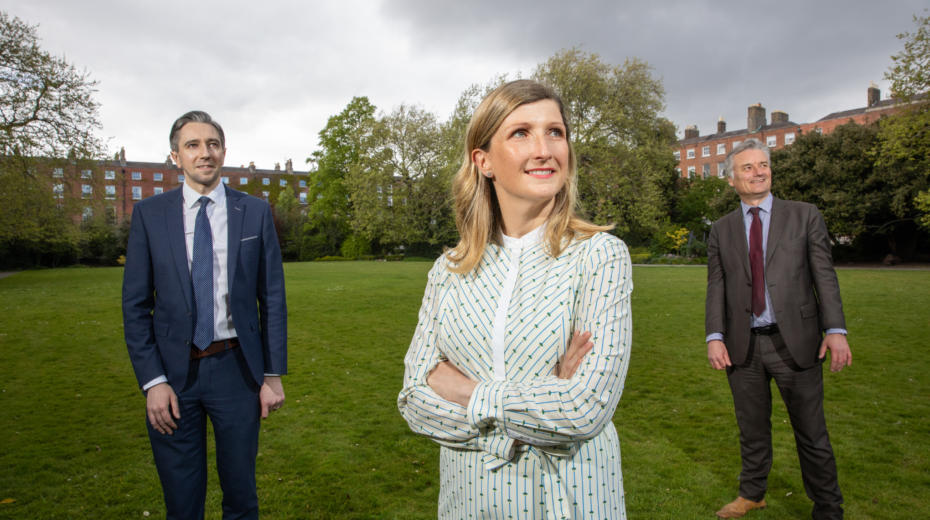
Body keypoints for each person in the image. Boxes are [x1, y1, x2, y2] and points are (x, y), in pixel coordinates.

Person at [397, 80, 633, 519]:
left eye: (555, 132)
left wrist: (465, 391)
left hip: (572, 500)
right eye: (521, 133)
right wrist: (542, 399)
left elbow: (584, 408)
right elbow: (414, 399)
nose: (544, 149)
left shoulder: (600, 256)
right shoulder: (449, 269)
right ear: (483, 160)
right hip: (470, 502)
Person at [122, 111, 287, 519]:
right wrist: (153, 382)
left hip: (236, 371)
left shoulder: (253, 212)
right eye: (192, 145)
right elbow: (136, 306)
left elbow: (273, 298)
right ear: (175, 157)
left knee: (242, 497)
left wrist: (272, 374)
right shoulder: (150, 215)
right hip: (173, 378)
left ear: (224, 152)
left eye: (212, 144)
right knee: (181, 502)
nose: (204, 153)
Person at [705, 138, 851, 519]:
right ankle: (753, 493)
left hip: (797, 344)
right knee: (751, 430)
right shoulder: (721, 230)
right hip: (743, 347)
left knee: (812, 434)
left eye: (762, 165)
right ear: (731, 180)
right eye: (748, 168)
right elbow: (716, 285)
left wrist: (835, 329)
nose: (758, 172)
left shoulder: (804, 215)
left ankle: (828, 507)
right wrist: (715, 336)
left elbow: (824, 275)